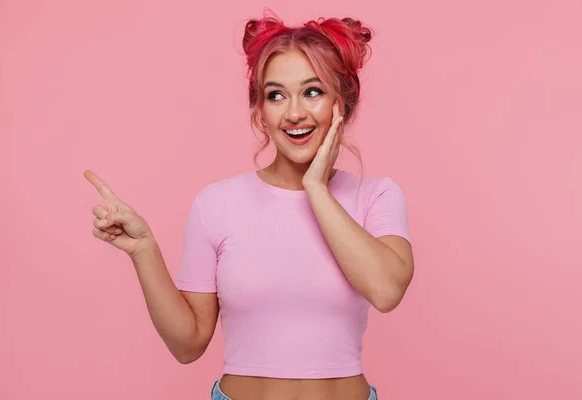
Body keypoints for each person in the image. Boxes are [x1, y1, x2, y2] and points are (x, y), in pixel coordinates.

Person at [84, 12, 414, 400]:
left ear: (343, 101)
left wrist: (316, 189)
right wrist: (143, 251)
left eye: (313, 91)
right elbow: (188, 345)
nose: (294, 113)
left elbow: (386, 291)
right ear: (260, 110)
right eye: (276, 95)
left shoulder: (377, 196)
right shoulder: (216, 204)